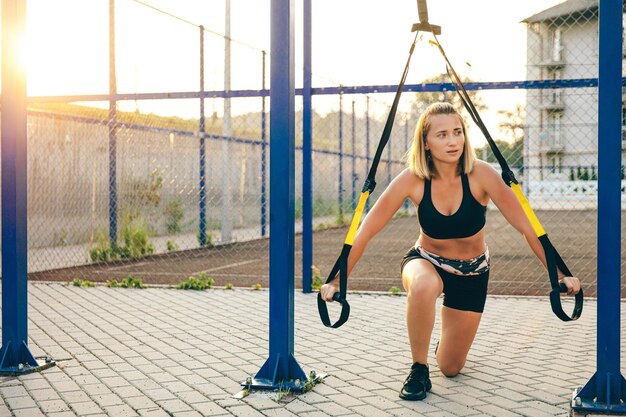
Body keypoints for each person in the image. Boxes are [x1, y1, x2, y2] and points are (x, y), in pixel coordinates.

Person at [320, 102, 581, 401]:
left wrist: (560, 274)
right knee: (423, 285)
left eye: (458, 132)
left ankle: (441, 344)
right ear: (426, 143)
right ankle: (418, 369)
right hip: (425, 261)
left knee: (451, 367)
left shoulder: (482, 174)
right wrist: (338, 280)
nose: (453, 141)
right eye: (442, 134)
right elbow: (364, 231)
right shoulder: (412, 179)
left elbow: (527, 227)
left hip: (472, 271)